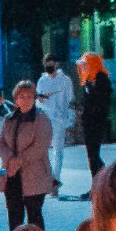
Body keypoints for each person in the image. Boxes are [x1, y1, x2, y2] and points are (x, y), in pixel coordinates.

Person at [0, 80, 57, 231]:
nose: (25, 100)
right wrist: (10, 158)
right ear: (16, 99)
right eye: (21, 97)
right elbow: (1, 143)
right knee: (14, 217)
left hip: (35, 175)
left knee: (34, 216)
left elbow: (41, 145)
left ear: (34, 98)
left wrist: (19, 160)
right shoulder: (9, 119)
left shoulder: (41, 119)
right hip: (12, 175)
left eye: (29, 97)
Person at [71, 53, 114, 197]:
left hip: (96, 121)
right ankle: (100, 184)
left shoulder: (101, 79)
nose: (83, 67)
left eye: (85, 64)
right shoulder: (89, 79)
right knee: (92, 155)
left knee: (93, 155)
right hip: (89, 121)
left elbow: (103, 100)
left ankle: (102, 184)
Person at [34, 55, 77, 183]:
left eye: (51, 64)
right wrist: (39, 100)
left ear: (57, 64)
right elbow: (37, 100)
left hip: (59, 119)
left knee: (58, 151)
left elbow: (70, 100)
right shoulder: (42, 80)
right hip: (45, 119)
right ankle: (47, 177)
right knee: (43, 150)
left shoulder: (65, 80)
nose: (49, 67)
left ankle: (55, 179)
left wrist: (70, 120)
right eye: (46, 64)